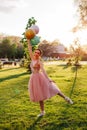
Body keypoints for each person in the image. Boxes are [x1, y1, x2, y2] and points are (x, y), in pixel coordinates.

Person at [27, 39, 73, 117]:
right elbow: (29, 49)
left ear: (40, 55)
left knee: (53, 88)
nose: (36, 53)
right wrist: (28, 40)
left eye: (38, 53)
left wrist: (48, 79)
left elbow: (44, 71)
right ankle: (42, 112)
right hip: (34, 79)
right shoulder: (32, 58)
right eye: (36, 52)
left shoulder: (39, 62)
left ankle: (66, 98)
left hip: (39, 77)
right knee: (40, 96)